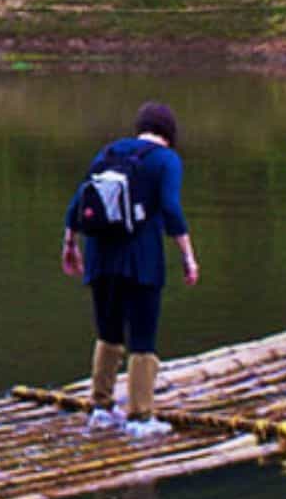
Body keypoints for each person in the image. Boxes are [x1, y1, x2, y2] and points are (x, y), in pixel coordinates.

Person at [61, 102, 200, 435]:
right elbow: (171, 209)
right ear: (170, 133)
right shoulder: (166, 160)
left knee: (108, 332)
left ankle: (101, 407)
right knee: (142, 337)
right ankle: (140, 417)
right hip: (141, 260)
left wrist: (70, 244)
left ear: (140, 128)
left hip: (100, 257)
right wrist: (188, 256)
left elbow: (78, 202)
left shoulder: (108, 152)